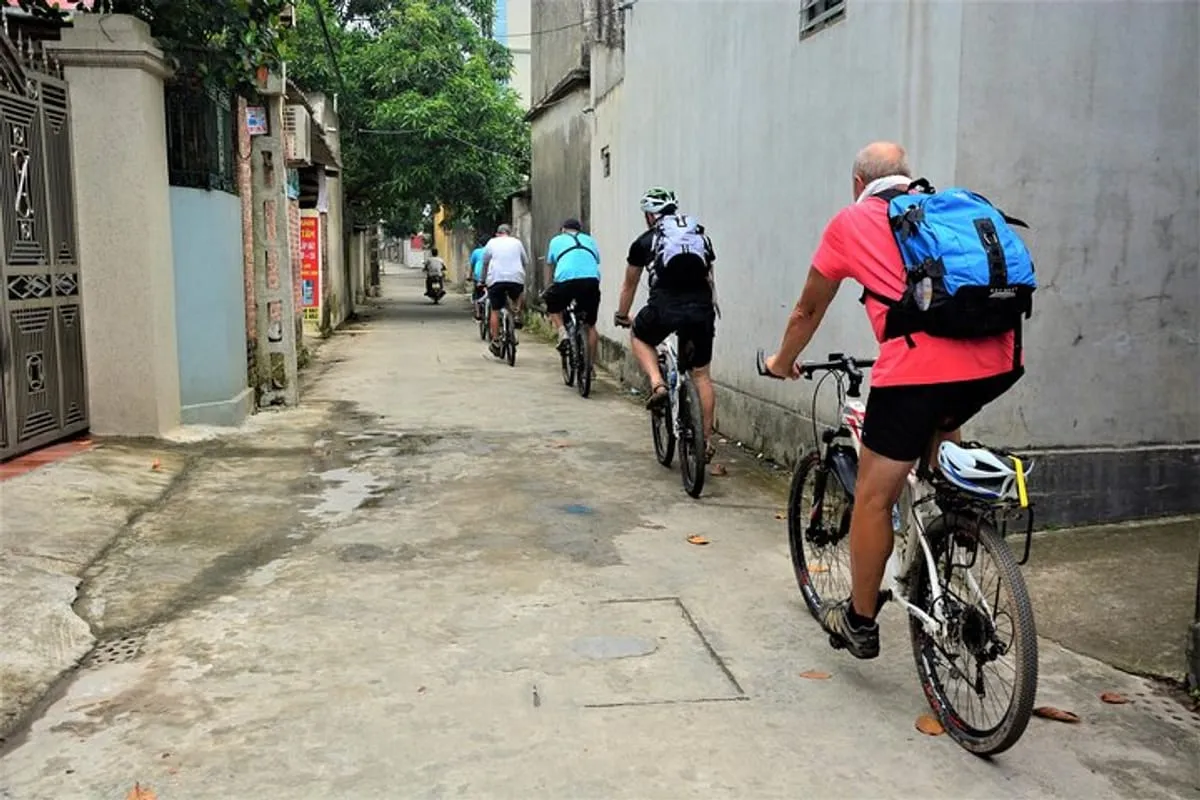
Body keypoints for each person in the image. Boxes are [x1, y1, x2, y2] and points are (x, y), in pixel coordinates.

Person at [762, 141, 1024, 660]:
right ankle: (954, 530)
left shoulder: (851, 222)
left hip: (915, 373)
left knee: (874, 498)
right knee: (940, 438)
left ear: (859, 184)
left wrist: (781, 360)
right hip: (996, 361)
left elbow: (807, 310)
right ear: (908, 178)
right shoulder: (944, 210)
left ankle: (859, 619)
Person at [614, 187, 720, 461]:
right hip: (701, 309)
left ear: (651, 216)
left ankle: (658, 383)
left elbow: (630, 284)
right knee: (701, 375)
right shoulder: (700, 236)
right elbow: (710, 278)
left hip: (664, 308)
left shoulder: (644, 242)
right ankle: (706, 442)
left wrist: (622, 315)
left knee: (639, 335)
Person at [543, 218, 602, 362]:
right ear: (579, 230)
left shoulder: (557, 240)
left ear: (563, 229)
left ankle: (562, 333)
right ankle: (591, 367)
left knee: (553, 305)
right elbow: (596, 260)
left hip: (566, 280)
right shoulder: (589, 240)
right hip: (591, 281)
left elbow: (550, 265)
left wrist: (548, 286)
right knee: (590, 325)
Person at [480, 223, 529, 357]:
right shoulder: (517, 242)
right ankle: (517, 313)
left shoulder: (491, 242)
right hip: (516, 279)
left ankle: (495, 341)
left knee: (495, 311)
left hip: (496, 279)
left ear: (497, 233)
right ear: (510, 233)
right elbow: (526, 261)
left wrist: (482, 280)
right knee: (519, 293)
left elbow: (485, 263)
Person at [469, 241, 487, 319]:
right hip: (490, 275)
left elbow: (472, 265)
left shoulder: (476, 252)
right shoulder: (493, 250)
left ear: (480, 244)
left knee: (476, 294)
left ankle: (478, 314)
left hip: (478, 275)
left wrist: (470, 275)